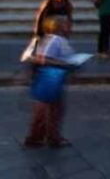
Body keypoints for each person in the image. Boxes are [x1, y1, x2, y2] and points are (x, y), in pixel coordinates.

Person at [23, 16, 77, 148]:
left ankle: (43, 136)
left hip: (48, 77)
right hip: (50, 77)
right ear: (58, 26)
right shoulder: (55, 40)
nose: (70, 27)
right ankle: (45, 137)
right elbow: (43, 58)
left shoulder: (49, 39)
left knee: (49, 108)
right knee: (50, 109)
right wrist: (64, 63)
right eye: (67, 25)